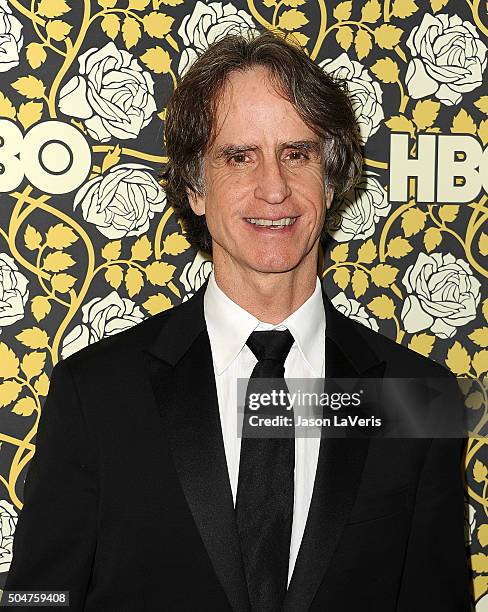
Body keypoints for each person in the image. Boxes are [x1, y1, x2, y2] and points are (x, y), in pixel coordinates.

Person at [2, 30, 471, 611]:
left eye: (297, 154)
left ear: (331, 181)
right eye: (239, 157)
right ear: (196, 188)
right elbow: (36, 598)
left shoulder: (414, 395)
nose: (274, 188)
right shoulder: (97, 392)